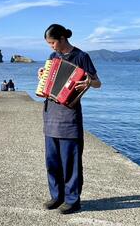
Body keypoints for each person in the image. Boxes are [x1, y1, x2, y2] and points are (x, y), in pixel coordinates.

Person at [38, 24, 101, 215]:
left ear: (62, 38)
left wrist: (89, 82)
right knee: (52, 161)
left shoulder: (81, 56)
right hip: (51, 113)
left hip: (69, 115)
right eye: (49, 44)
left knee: (70, 162)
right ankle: (57, 196)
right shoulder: (53, 57)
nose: (51, 46)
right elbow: (48, 83)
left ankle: (73, 200)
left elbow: (97, 82)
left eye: (53, 42)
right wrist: (42, 76)